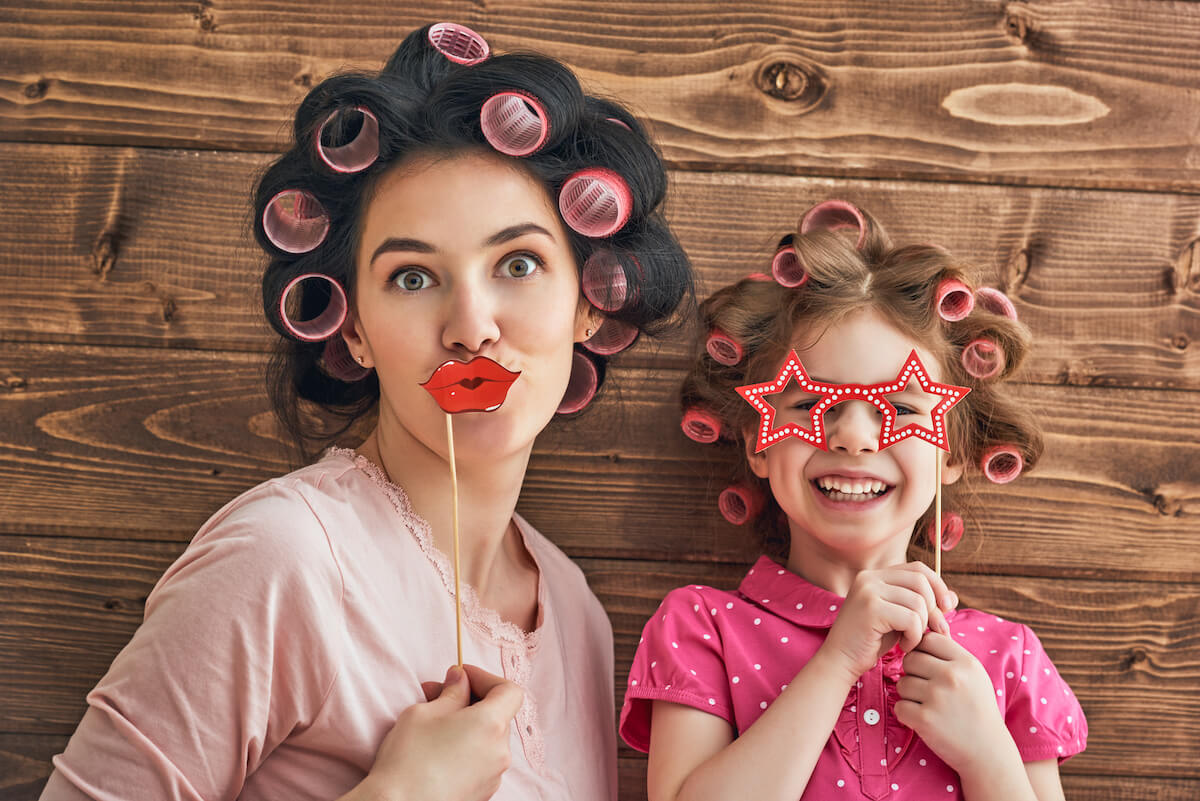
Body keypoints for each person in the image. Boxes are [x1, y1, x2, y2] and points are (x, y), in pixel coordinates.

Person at [41, 22, 692, 801]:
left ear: (589, 302)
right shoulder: (284, 558)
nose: (471, 326)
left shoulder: (579, 613)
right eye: (413, 278)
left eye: (518, 264)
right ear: (353, 325)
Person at [619, 200, 1086, 801]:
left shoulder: (1005, 659)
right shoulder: (701, 627)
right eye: (812, 405)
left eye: (904, 409)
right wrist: (838, 660)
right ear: (760, 442)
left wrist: (987, 753)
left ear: (950, 454)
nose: (854, 437)